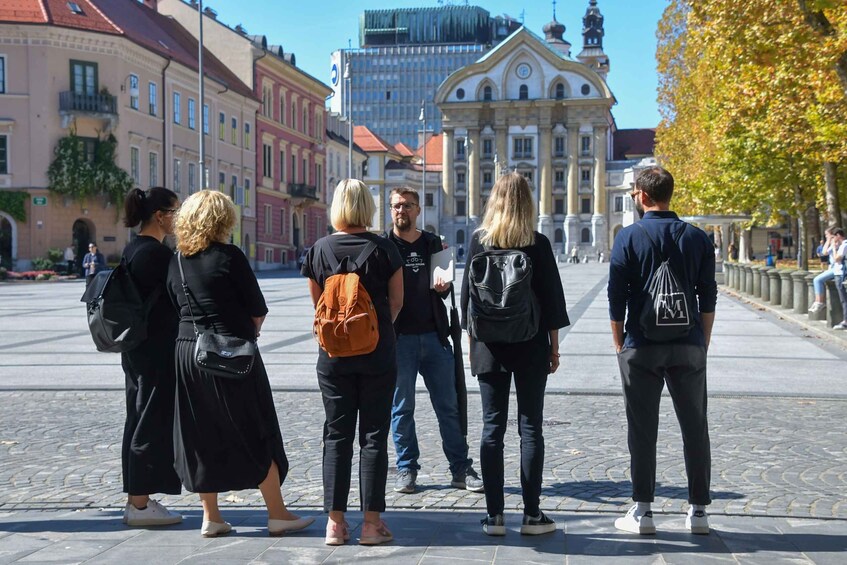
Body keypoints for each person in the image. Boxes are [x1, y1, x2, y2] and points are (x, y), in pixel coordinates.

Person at [166, 190, 312, 538]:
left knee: (200, 432)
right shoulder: (230, 256)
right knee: (254, 425)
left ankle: (212, 516)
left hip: (188, 351)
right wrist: (244, 332)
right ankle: (277, 513)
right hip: (229, 352)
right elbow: (257, 310)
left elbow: (175, 304)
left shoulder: (177, 260)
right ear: (223, 219)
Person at [607, 166, 717, 535]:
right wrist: (702, 339)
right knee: (695, 426)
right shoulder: (698, 237)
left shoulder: (628, 237)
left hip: (641, 344)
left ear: (640, 195)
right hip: (688, 345)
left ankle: (643, 512)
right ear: (670, 194)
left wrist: (619, 340)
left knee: (642, 428)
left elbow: (616, 295)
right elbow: (708, 294)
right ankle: (698, 512)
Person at [460, 172, 570, 537]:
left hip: (489, 347)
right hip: (531, 344)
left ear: (494, 201)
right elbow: (553, 301)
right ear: (528, 203)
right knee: (530, 428)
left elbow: (466, 302)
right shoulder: (536, 243)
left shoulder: (479, 242)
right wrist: (554, 347)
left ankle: (494, 517)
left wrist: (472, 345)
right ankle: (532, 515)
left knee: (492, 429)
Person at [301, 179, 404, 546]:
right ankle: (372, 526)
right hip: (377, 353)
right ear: (368, 207)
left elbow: (317, 306)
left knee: (337, 434)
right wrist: (373, 334)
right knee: (374, 434)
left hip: (332, 358)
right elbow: (395, 303)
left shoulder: (319, 249)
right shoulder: (386, 249)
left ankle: (334, 524)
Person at [385, 187, 483, 495]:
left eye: (408, 206)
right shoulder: (383, 246)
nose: (402, 211)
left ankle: (460, 468)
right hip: (399, 339)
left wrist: (443, 285)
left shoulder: (434, 243)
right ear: (391, 210)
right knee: (401, 408)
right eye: (397, 206)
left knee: (448, 405)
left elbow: (445, 287)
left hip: (434, 335)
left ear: (418, 210)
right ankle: (406, 469)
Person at [119, 187, 183, 527]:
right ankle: (140, 506)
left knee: (138, 417)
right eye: (176, 210)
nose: (179, 217)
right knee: (150, 422)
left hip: (136, 349)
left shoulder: (133, 249)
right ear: (160, 216)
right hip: (157, 348)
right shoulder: (157, 255)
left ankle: (136, 499)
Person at [809, 228, 836, 313]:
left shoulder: (837, 243)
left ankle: (820, 302)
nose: (826, 237)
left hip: (836, 268)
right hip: (832, 267)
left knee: (817, 280)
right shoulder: (831, 243)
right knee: (817, 279)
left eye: (827, 235)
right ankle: (817, 301)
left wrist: (829, 241)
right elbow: (824, 252)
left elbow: (825, 253)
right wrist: (828, 241)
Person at [828, 228, 847, 329]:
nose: (833, 239)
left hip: (841, 274)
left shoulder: (844, 245)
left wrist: (834, 248)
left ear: (838, 235)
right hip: (840, 273)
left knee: (844, 299)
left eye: (834, 237)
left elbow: (836, 259)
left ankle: (845, 321)